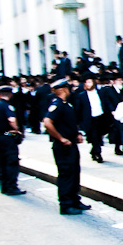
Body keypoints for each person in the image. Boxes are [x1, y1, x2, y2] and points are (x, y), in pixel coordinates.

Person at [43, 79, 89, 215]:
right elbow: (47, 122)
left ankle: (75, 199)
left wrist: (77, 134)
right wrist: (61, 138)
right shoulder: (57, 104)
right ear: (63, 89)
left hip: (71, 144)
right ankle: (66, 204)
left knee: (74, 173)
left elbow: (68, 123)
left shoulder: (66, 104)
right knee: (66, 174)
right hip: (63, 146)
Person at [0, 85, 26, 195]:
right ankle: (11, 186)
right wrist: (17, 130)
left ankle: (5, 185)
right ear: (10, 94)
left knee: (3, 161)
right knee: (12, 161)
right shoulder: (7, 106)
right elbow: (11, 119)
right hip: (7, 137)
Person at [73, 75, 106, 164]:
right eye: (87, 82)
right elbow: (78, 109)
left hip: (100, 117)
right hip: (89, 119)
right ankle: (98, 153)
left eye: (90, 82)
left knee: (99, 136)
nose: (88, 84)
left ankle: (94, 151)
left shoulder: (100, 93)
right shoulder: (82, 95)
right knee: (94, 136)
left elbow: (104, 104)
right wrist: (78, 122)